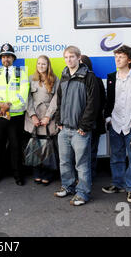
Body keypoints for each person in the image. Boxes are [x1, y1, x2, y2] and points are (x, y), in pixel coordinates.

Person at [101, 45, 131, 204]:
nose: (117, 59)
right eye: (116, 57)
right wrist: (107, 117)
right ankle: (118, 184)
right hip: (115, 123)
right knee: (116, 157)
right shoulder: (111, 77)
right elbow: (109, 100)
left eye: (120, 57)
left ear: (130, 59)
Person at [54, 46, 99, 206]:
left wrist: (84, 126)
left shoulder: (89, 77)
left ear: (79, 58)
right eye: (66, 57)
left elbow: (93, 104)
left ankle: (83, 193)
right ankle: (68, 186)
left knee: (82, 164)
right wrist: (58, 121)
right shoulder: (64, 75)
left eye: (72, 57)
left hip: (80, 130)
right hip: (64, 129)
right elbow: (59, 101)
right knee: (64, 162)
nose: (69, 60)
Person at [0, 43, 29, 186]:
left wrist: (9, 105)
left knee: (16, 145)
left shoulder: (21, 73)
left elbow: (23, 94)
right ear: (1, 59)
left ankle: (18, 174)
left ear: (13, 58)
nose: (6, 59)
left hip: (16, 116)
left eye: (9, 56)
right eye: (4, 57)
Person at [24, 55, 60, 185]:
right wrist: (33, 115)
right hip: (34, 119)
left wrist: (47, 117)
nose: (41, 66)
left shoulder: (55, 80)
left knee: (49, 146)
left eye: (43, 64)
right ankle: (37, 172)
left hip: (48, 119)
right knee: (36, 146)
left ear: (48, 65)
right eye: (39, 63)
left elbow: (56, 100)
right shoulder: (31, 79)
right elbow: (27, 98)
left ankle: (48, 173)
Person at [80, 55, 106, 179]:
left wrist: (89, 117)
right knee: (81, 152)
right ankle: (82, 177)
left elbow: (101, 102)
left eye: (81, 63)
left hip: (94, 123)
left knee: (91, 151)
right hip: (79, 123)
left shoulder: (96, 80)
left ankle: (89, 176)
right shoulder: (73, 80)